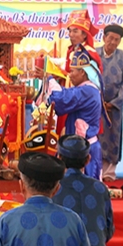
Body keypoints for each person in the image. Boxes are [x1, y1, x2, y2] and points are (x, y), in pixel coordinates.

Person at [48, 45, 104, 179]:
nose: (70, 75)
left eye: (73, 71)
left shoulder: (87, 91)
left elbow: (62, 99)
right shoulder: (87, 89)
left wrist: (49, 79)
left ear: (83, 73)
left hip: (84, 150)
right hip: (80, 147)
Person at [98, 24, 123, 182]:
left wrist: (114, 103)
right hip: (96, 106)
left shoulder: (122, 56)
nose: (113, 42)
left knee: (113, 138)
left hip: (114, 107)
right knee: (97, 137)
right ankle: (96, 172)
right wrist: (98, 101)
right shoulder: (94, 54)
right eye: (110, 38)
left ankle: (109, 174)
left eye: (117, 40)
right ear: (104, 38)